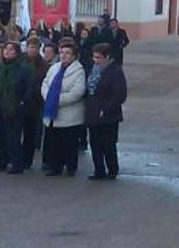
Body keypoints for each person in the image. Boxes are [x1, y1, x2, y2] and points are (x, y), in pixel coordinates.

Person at [0, 42, 33, 175]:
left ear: (17, 52)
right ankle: (0, 162)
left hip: (14, 108)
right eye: (6, 48)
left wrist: (21, 103)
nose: (6, 51)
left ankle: (16, 163)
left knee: (13, 137)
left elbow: (28, 89)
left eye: (10, 49)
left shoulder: (24, 69)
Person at [41, 42, 86, 177]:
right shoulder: (54, 68)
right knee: (55, 142)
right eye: (61, 52)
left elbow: (77, 92)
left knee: (69, 142)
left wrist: (56, 99)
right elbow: (45, 83)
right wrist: (49, 97)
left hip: (69, 113)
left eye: (67, 53)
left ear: (73, 56)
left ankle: (71, 167)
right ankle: (56, 166)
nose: (64, 55)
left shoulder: (78, 71)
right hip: (52, 111)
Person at [86, 43, 127, 180]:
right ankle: (99, 170)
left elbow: (120, 94)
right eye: (94, 57)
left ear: (107, 57)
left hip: (109, 115)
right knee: (95, 144)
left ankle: (112, 169)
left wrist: (106, 109)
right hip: (93, 113)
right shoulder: (93, 70)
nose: (95, 60)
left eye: (99, 57)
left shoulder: (115, 71)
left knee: (108, 144)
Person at [22, 37, 47, 169]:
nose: (32, 49)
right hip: (20, 102)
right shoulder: (21, 61)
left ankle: (27, 159)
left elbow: (44, 82)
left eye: (35, 47)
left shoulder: (43, 65)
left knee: (30, 133)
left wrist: (35, 92)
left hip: (34, 103)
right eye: (30, 47)